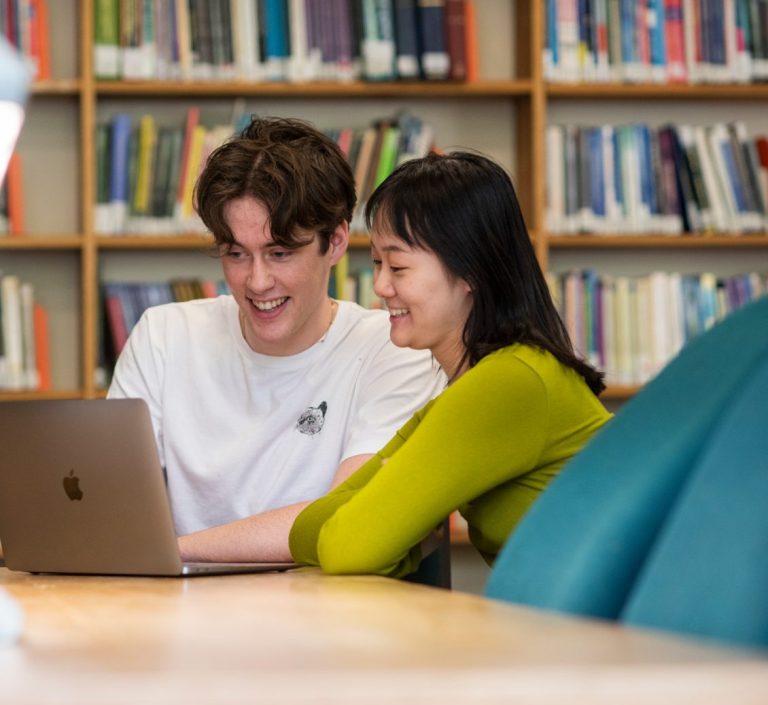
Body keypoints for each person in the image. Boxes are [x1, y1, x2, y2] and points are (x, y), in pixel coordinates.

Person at [107, 116, 445, 562]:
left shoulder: (395, 350)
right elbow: (108, 502)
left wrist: (170, 553)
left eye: (280, 253)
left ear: (337, 241)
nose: (257, 281)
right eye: (235, 254)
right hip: (181, 614)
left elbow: (346, 514)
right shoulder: (163, 335)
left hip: (325, 617)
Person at [288, 150, 613, 578]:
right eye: (377, 264)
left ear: (469, 272)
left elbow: (348, 548)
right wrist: (391, 514)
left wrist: (391, 518)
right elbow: (306, 531)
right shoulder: (468, 388)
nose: (381, 286)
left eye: (399, 266)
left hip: (631, 635)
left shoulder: (510, 382)